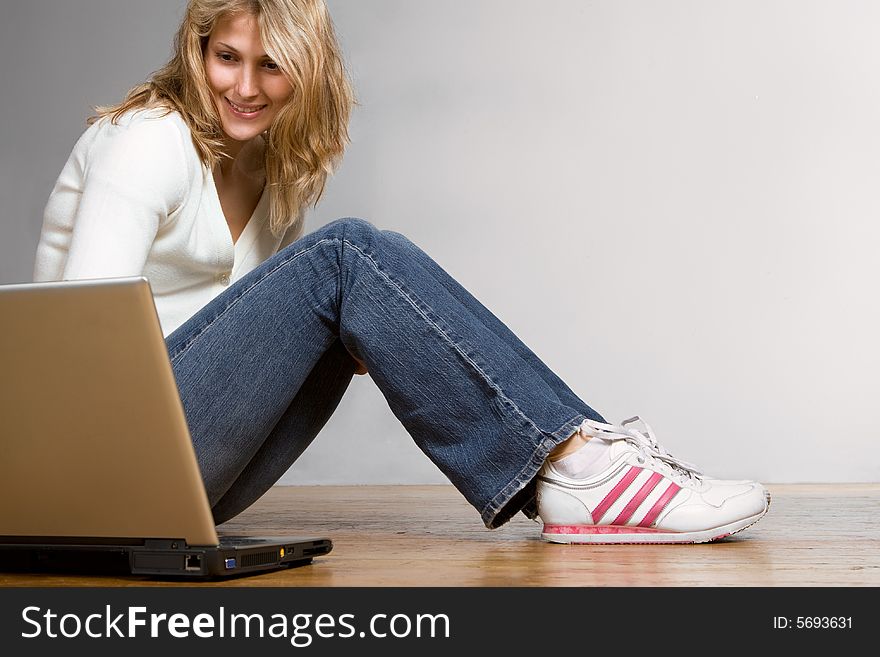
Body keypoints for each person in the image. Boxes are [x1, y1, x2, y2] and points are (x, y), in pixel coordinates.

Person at [33, 0, 769, 544]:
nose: (246, 87)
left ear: (306, 72)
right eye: (227, 57)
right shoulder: (147, 144)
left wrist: (348, 332)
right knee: (350, 253)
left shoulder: (275, 177)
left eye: (272, 65)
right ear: (197, 50)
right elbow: (78, 359)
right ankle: (578, 465)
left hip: (191, 491)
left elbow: (239, 336)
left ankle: (577, 465)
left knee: (353, 285)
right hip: (95, 473)